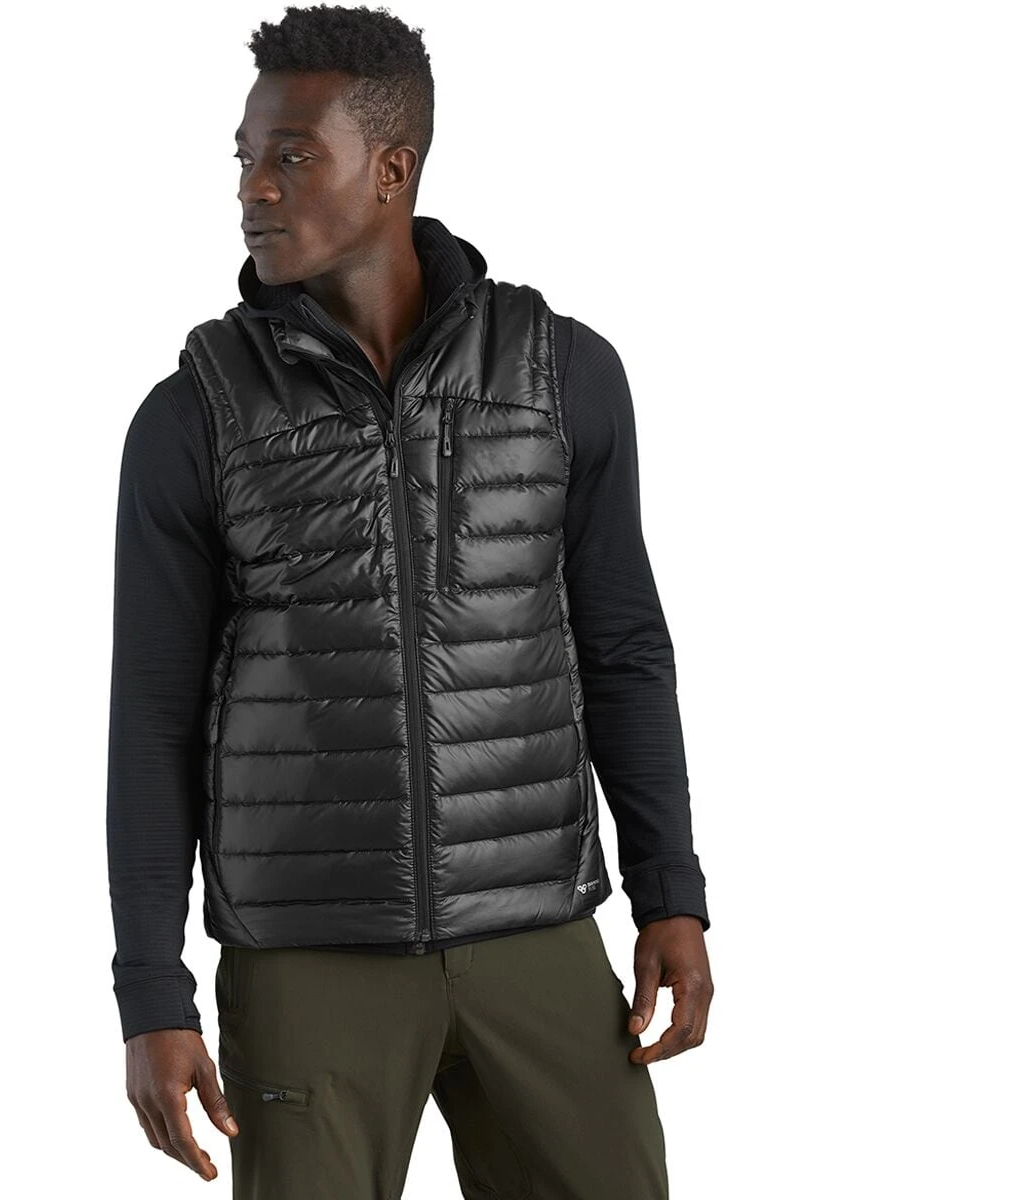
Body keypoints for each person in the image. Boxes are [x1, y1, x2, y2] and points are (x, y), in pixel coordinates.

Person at [106, 5, 713, 1196]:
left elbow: (625, 650)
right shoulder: (194, 417)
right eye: (245, 156)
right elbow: (153, 717)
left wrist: (671, 895)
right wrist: (150, 992)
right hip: (306, 963)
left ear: (392, 169)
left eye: (292, 156)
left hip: (536, 932)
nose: (254, 188)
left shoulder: (559, 373)